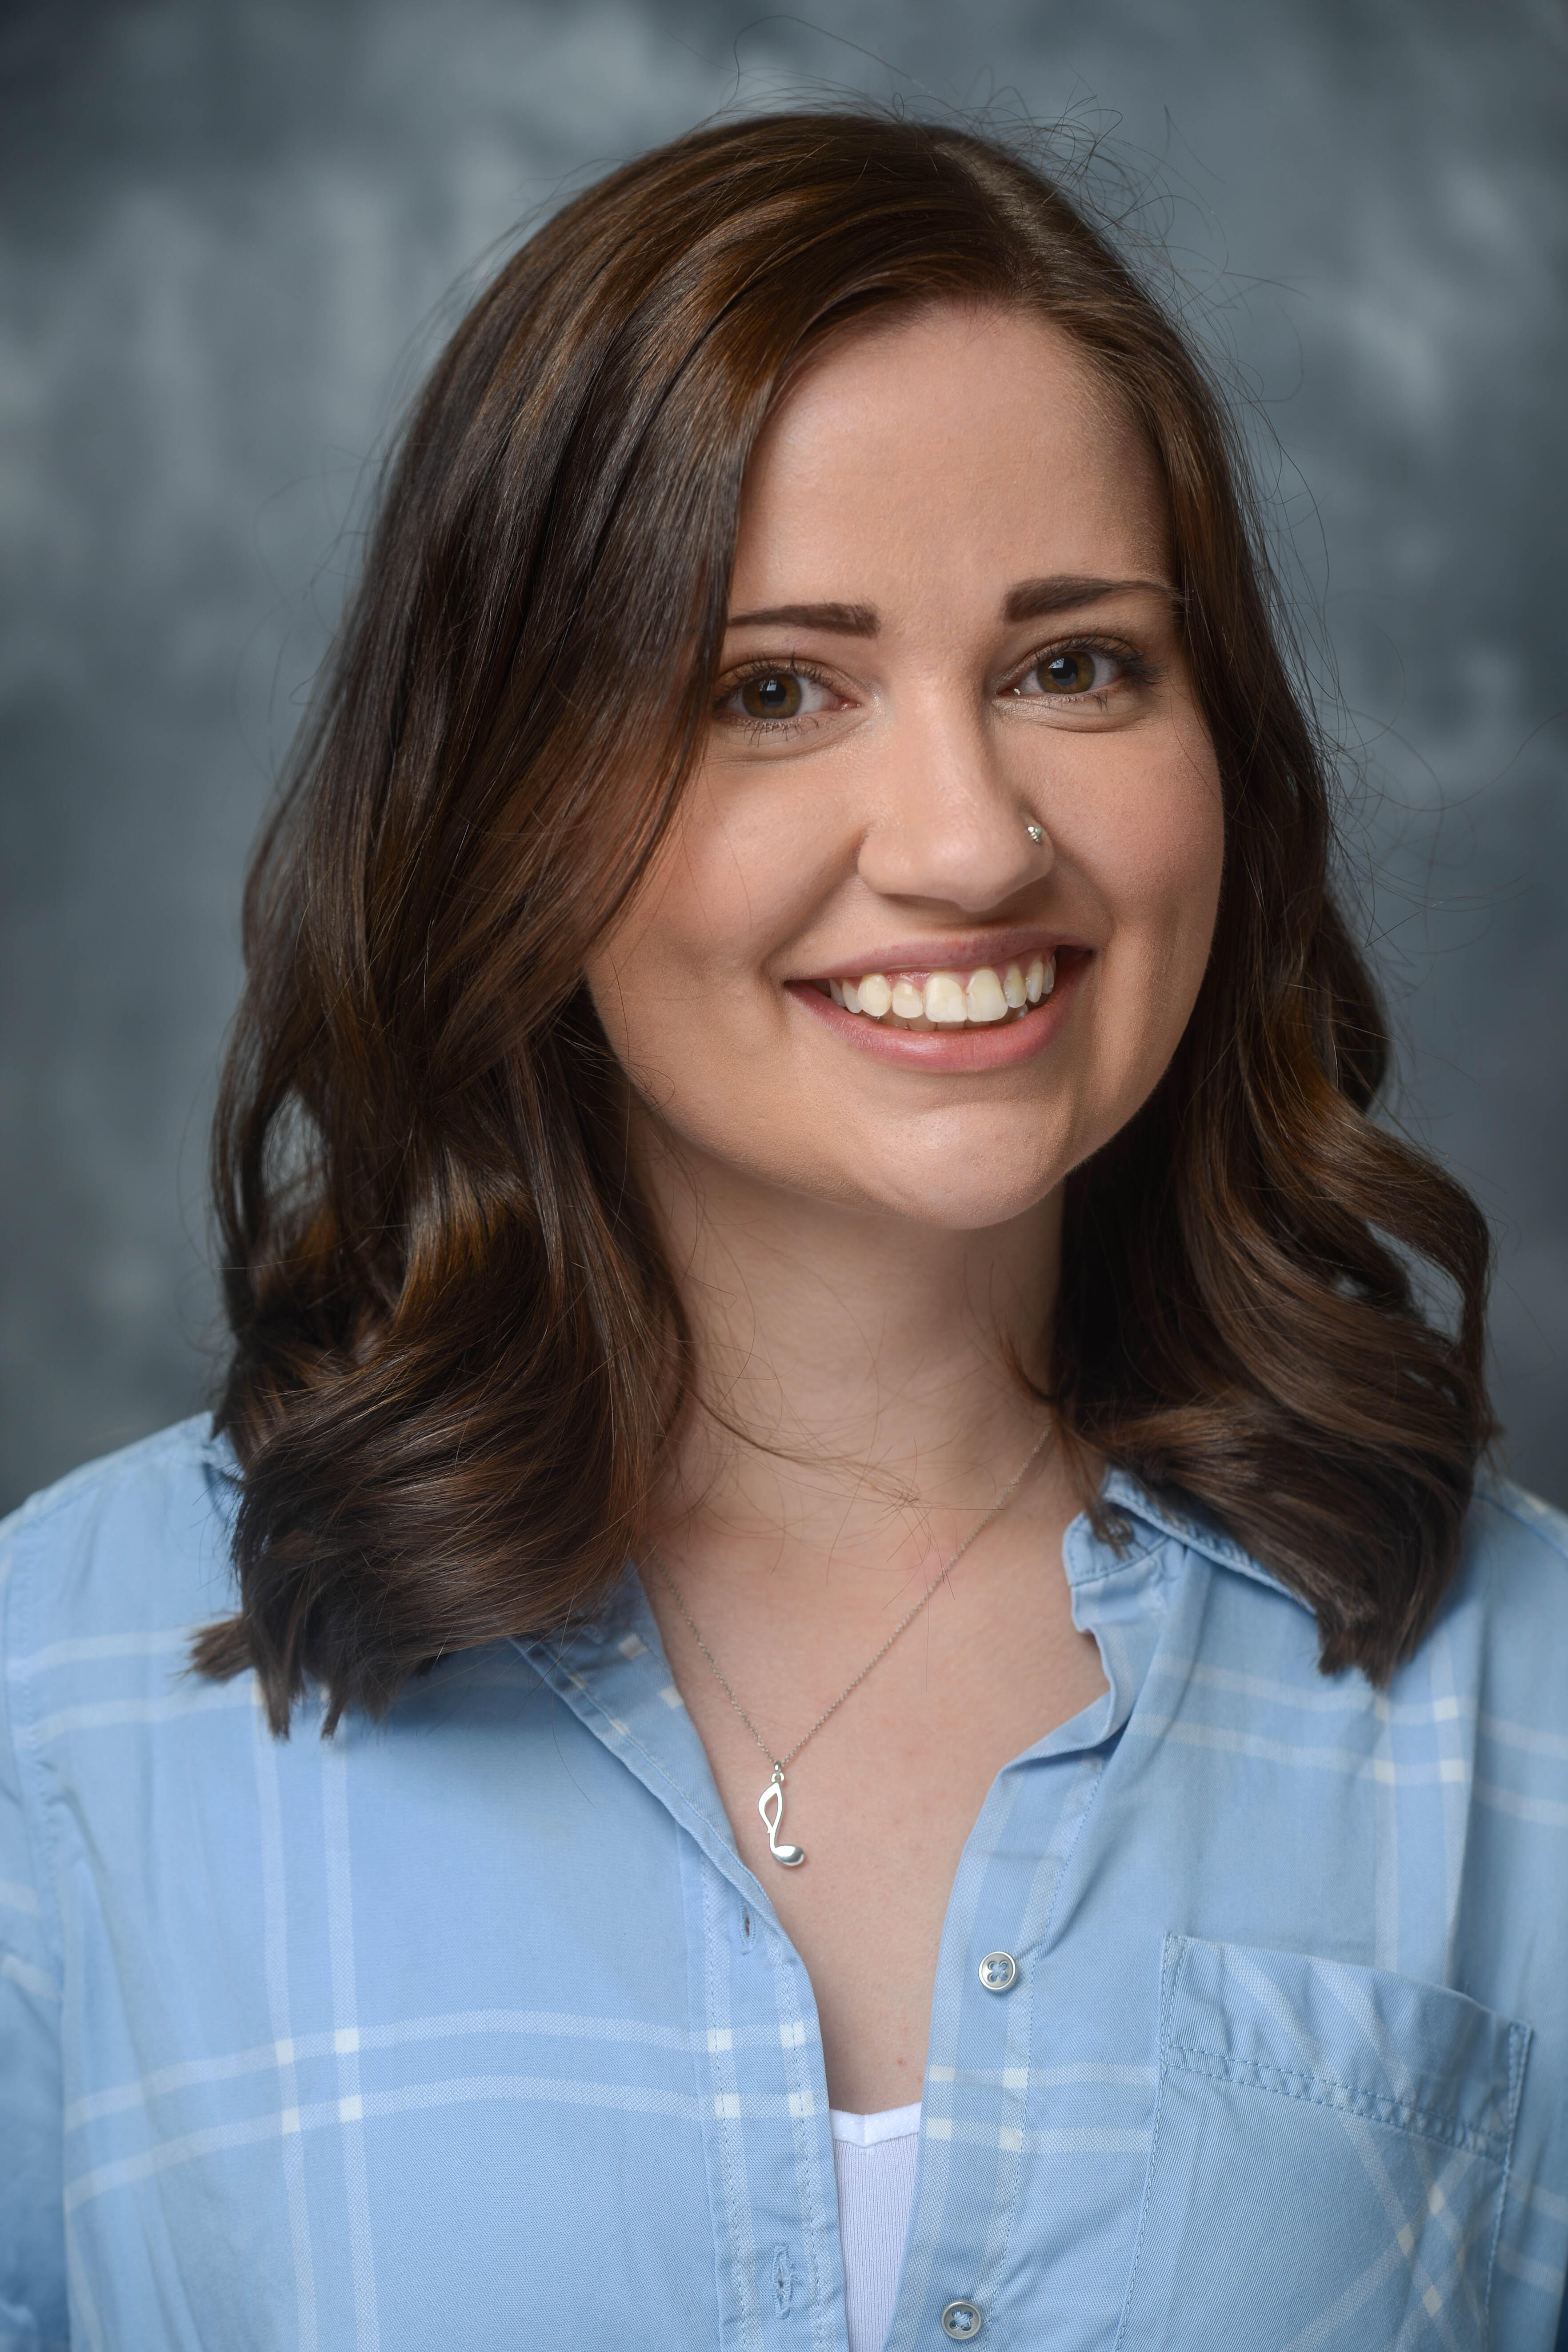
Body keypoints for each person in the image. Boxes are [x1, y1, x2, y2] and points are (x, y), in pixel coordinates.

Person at [1, 107, 1564, 2352]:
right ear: (506, 796)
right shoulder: (58, 1708)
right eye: (772, 689)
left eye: (1076, 665)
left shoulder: (1522, 1703)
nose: (964, 840)